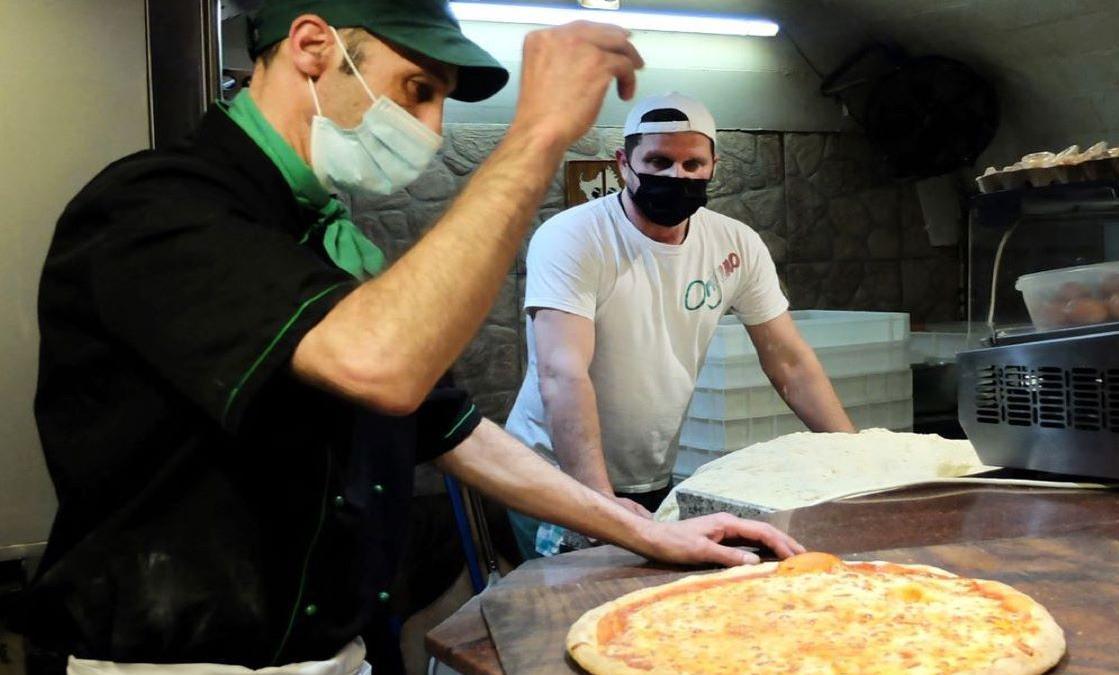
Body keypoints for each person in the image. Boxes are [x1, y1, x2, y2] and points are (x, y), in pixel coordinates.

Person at [17, 3, 804, 673]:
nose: (428, 128)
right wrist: (535, 138)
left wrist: (647, 529)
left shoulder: (320, 238)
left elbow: (450, 425)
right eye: (417, 91)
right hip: (184, 663)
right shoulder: (156, 210)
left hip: (332, 649)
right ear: (313, 46)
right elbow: (382, 367)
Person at [505, 92, 856, 560]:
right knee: (573, 611)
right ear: (624, 163)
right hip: (557, 478)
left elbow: (791, 363)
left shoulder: (735, 244)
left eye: (693, 164)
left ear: (713, 164)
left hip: (651, 475)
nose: (677, 176)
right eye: (659, 161)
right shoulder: (574, 237)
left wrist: (857, 464)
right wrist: (598, 504)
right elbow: (562, 373)